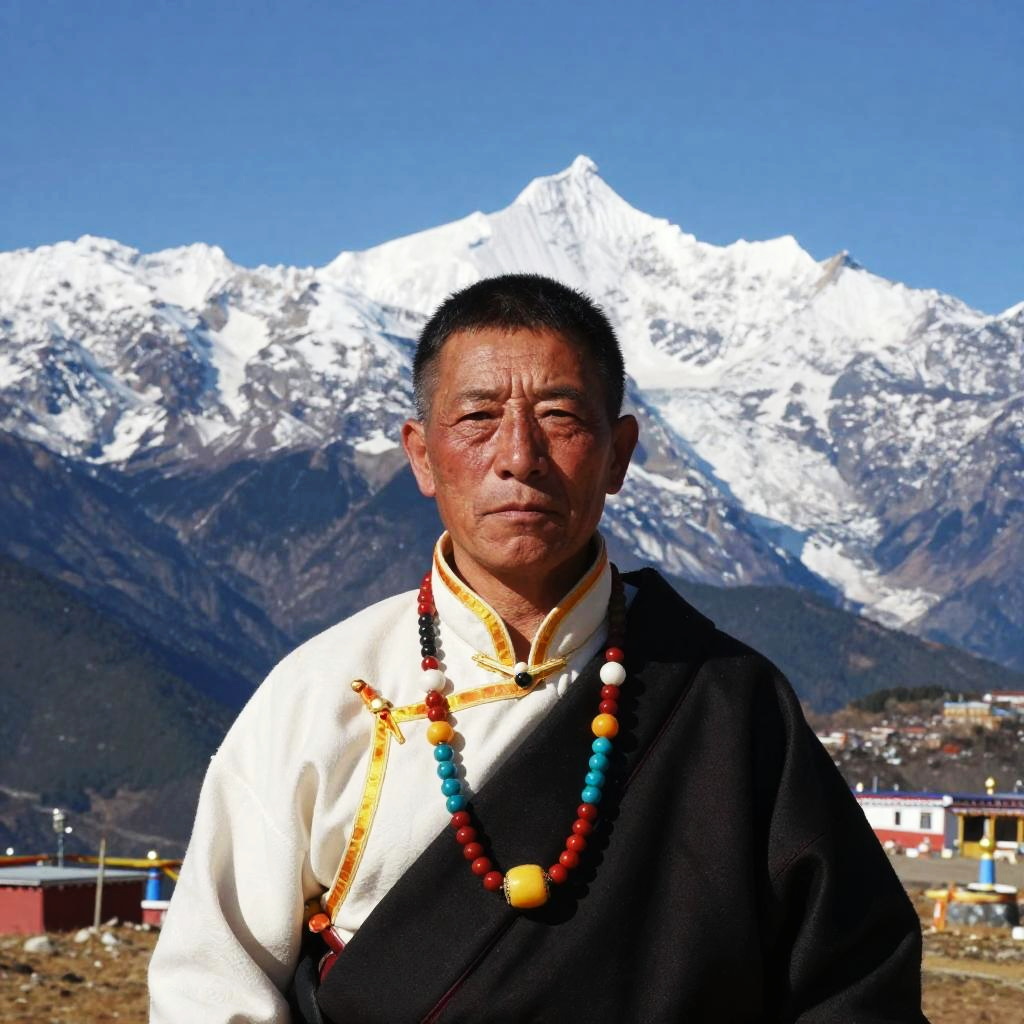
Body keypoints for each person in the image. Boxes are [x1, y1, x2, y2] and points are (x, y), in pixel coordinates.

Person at [149, 274, 925, 1022]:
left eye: (560, 417)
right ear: (420, 454)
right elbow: (212, 986)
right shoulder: (323, 696)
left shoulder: (728, 702)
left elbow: (854, 982)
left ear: (619, 453)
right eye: (478, 417)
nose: (519, 456)